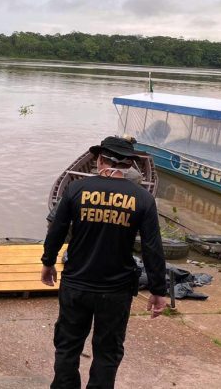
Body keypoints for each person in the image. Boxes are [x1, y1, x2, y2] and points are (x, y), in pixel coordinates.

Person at [41, 136, 168, 389]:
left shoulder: (76, 190)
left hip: (76, 284)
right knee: (108, 350)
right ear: (130, 165)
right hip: (116, 290)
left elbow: (56, 231)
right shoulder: (143, 198)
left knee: (67, 345)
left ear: (100, 160)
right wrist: (158, 290)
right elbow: (152, 247)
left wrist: (48, 262)